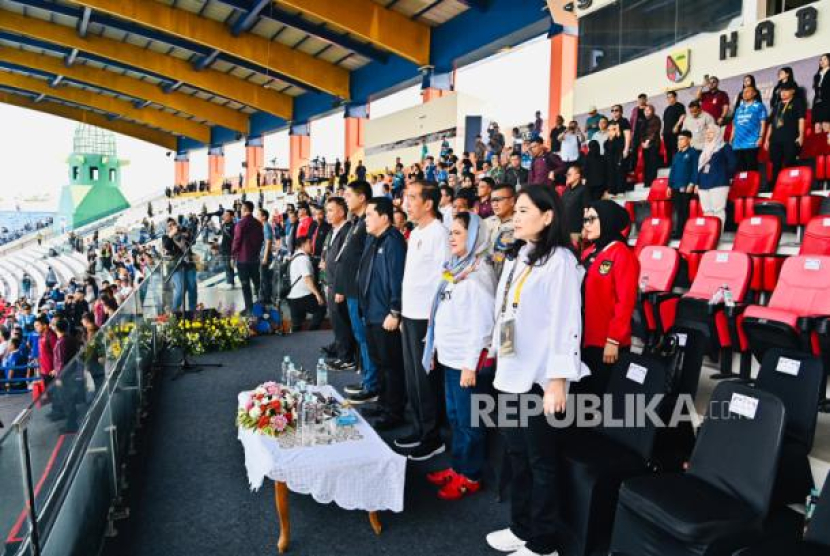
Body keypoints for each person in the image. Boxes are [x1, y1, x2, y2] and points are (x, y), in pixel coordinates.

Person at [485, 185, 589, 556]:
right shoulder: (520, 256)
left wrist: (557, 380)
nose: (515, 217)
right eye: (516, 211)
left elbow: (566, 322)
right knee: (516, 455)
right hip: (512, 371)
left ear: (548, 217)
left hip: (539, 378)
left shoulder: (560, 260)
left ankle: (544, 542)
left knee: (540, 461)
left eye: (524, 211)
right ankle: (521, 526)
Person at [421, 212, 496, 500]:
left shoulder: (478, 275)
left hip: (468, 364)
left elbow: (482, 326)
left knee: (469, 422)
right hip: (451, 358)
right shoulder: (456, 268)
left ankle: (471, 476)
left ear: (475, 236)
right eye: (450, 232)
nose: (451, 237)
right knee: (455, 417)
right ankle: (459, 466)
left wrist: (469, 365)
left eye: (458, 233)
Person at [397, 181, 450, 460]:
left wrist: (433, 320)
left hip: (426, 318)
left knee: (426, 380)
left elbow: (443, 279)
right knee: (413, 378)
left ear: (428, 203)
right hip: (411, 314)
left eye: (413, 198)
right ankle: (419, 428)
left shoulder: (438, 233)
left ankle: (432, 437)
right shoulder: (417, 232)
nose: (407, 203)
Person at [575, 201, 638, 396]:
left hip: (606, 343)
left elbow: (625, 302)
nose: (586, 224)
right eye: (585, 219)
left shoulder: (622, 254)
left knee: (601, 397)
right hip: (584, 338)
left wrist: (614, 340)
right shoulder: (589, 251)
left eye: (592, 219)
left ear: (607, 220)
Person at [356, 197, 407, 429]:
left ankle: (394, 412)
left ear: (384, 218)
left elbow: (397, 278)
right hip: (371, 313)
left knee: (391, 366)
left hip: (386, 315)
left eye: (369, 215)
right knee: (380, 362)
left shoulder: (393, 241)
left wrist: (395, 311)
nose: (365, 219)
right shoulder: (373, 239)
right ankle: (383, 403)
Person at [338, 181, 378, 403]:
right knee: (360, 337)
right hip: (352, 290)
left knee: (365, 338)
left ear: (362, 197)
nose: (346, 198)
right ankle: (367, 380)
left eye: (349, 195)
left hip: (360, 292)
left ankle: (372, 384)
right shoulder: (357, 222)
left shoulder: (367, 223)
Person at [321, 197, 355, 371]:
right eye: (327, 210)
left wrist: (340, 287)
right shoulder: (332, 231)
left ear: (342, 212)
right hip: (331, 282)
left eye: (331, 210)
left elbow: (346, 261)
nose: (328, 214)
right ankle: (341, 352)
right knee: (336, 321)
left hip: (339, 285)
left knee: (342, 321)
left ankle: (347, 357)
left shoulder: (348, 230)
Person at [765, 82, 806, 187]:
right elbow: (770, 124)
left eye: (785, 90)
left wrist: (801, 135)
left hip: (790, 138)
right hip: (775, 140)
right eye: (781, 91)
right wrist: (766, 139)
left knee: (790, 162)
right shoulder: (777, 105)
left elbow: (801, 120)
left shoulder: (797, 103)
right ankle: (775, 186)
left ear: (792, 91)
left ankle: (792, 184)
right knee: (776, 164)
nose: (782, 93)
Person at [697, 125, 736, 228]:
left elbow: (733, 164)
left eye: (711, 133)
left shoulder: (724, 147)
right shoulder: (705, 149)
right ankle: (710, 234)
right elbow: (700, 168)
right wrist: (697, 182)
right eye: (706, 133)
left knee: (718, 210)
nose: (707, 135)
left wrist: (727, 176)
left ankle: (718, 234)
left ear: (717, 133)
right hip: (704, 183)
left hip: (719, 182)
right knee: (707, 211)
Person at [286, 236, 326, 332]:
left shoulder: (295, 256)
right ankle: (312, 332)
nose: (311, 245)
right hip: (303, 296)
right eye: (309, 243)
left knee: (297, 325)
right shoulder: (303, 259)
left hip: (292, 296)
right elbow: (307, 279)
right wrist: (317, 295)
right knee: (321, 308)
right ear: (303, 245)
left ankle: (296, 343)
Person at [231, 201, 264, 315]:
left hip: (243, 259)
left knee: (246, 286)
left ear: (244, 209)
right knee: (257, 284)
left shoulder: (240, 224)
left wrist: (233, 255)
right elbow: (261, 240)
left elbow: (237, 240)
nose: (240, 210)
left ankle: (249, 309)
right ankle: (261, 308)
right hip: (255, 259)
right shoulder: (258, 223)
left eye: (241, 208)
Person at [669, 130, 700, 238]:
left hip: (686, 186)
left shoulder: (693, 153)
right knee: (678, 210)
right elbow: (672, 171)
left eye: (682, 139)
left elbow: (695, 169)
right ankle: (678, 231)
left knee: (684, 210)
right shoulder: (677, 154)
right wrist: (669, 186)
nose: (679, 141)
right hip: (676, 186)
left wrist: (692, 183)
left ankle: (684, 232)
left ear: (689, 140)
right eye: (678, 139)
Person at [163, 220, 197, 315]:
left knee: (192, 288)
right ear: (167, 228)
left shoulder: (182, 234)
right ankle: (175, 311)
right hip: (176, 267)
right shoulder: (166, 237)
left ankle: (192, 311)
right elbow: (166, 246)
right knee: (180, 288)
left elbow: (193, 240)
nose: (172, 226)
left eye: (174, 224)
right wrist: (171, 234)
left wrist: (185, 231)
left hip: (189, 265)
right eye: (169, 225)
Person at [731, 85, 768, 172]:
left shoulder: (759, 106)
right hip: (738, 144)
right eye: (743, 92)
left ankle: (752, 185)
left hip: (751, 142)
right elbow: (735, 125)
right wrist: (732, 138)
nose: (745, 94)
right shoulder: (739, 108)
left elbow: (763, 124)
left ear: (754, 93)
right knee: (740, 170)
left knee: (751, 169)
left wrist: (760, 138)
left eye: (747, 92)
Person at [485, 182, 517, 276]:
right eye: (492, 201)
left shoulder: (518, 225)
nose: (494, 204)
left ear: (512, 201)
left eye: (498, 200)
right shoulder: (487, 222)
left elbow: (501, 256)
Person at [561, 164, 592, 245]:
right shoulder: (566, 190)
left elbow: (587, 210)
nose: (567, 176)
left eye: (569, 174)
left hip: (576, 231)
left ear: (577, 176)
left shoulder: (584, 189)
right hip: (564, 230)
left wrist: (585, 228)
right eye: (566, 174)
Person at [640, 104, 662, 189]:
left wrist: (647, 142)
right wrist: (642, 142)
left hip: (653, 144)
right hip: (645, 145)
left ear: (652, 110)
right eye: (645, 110)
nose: (646, 112)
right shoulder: (644, 121)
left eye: (648, 110)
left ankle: (652, 182)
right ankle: (647, 182)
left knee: (652, 164)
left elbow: (654, 132)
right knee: (646, 164)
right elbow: (641, 133)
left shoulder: (656, 119)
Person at [663, 91, 686, 166]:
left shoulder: (679, 105)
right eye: (668, 97)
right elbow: (665, 122)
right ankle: (670, 166)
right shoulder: (667, 109)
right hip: (666, 134)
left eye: (671, 97)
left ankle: (678, 165)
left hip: (675, 132)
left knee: (676, 150)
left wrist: (677, 126)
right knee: (668, 151)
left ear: (675, 97)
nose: (669, 99)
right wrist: (663, 132)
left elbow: (682, 116)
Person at [258, 208, 275, 306]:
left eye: (259, 215)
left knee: (264, 278)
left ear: (264, 217)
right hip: (264, 255)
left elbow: (268, 242)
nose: (257, 217)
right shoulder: (264, 226)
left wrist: (264, 257)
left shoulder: (266, 226)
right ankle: (266, 297)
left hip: (265, 256)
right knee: (264, 277)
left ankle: (266, 298)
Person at [604, 121, 627, 197]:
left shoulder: (620, 140)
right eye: (609, 130)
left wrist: (617, 133)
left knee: (619, 174)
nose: (610, 131)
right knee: (610, 175)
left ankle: (620, 191)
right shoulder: (606, 142)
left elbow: (619, 147)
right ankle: (611, 191)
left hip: (618, 160)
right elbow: (608, 149)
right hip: (609, 162)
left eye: (613, 129)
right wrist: (611, 138)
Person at [34, 315, 57, 387]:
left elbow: (57, 353)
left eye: (37, 325)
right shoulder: (41, 336)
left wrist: (55, 368)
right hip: (44, 370)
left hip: (51, 371)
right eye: (35, 326)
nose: (35, 328)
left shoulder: (51, 336)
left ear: (44, 325)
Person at [812, 53, 830, 134]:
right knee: (817, 128)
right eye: (820, 60)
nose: (822, 61)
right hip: (817, 103)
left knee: (826, 126)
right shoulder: (817, 76)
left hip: (828, 102)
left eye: (824, 59)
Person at [219, 209, 235, 289]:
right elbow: (218, 233)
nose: (224, 217)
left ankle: (231, 283)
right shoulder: (224, 225)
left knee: (229, 267)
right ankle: (228, 282)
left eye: (226, 215)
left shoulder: (234, 226)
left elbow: (234, 239)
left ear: (232, 216)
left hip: (229, 249)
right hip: (223, 249)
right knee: (226, 267)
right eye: (224, 215)